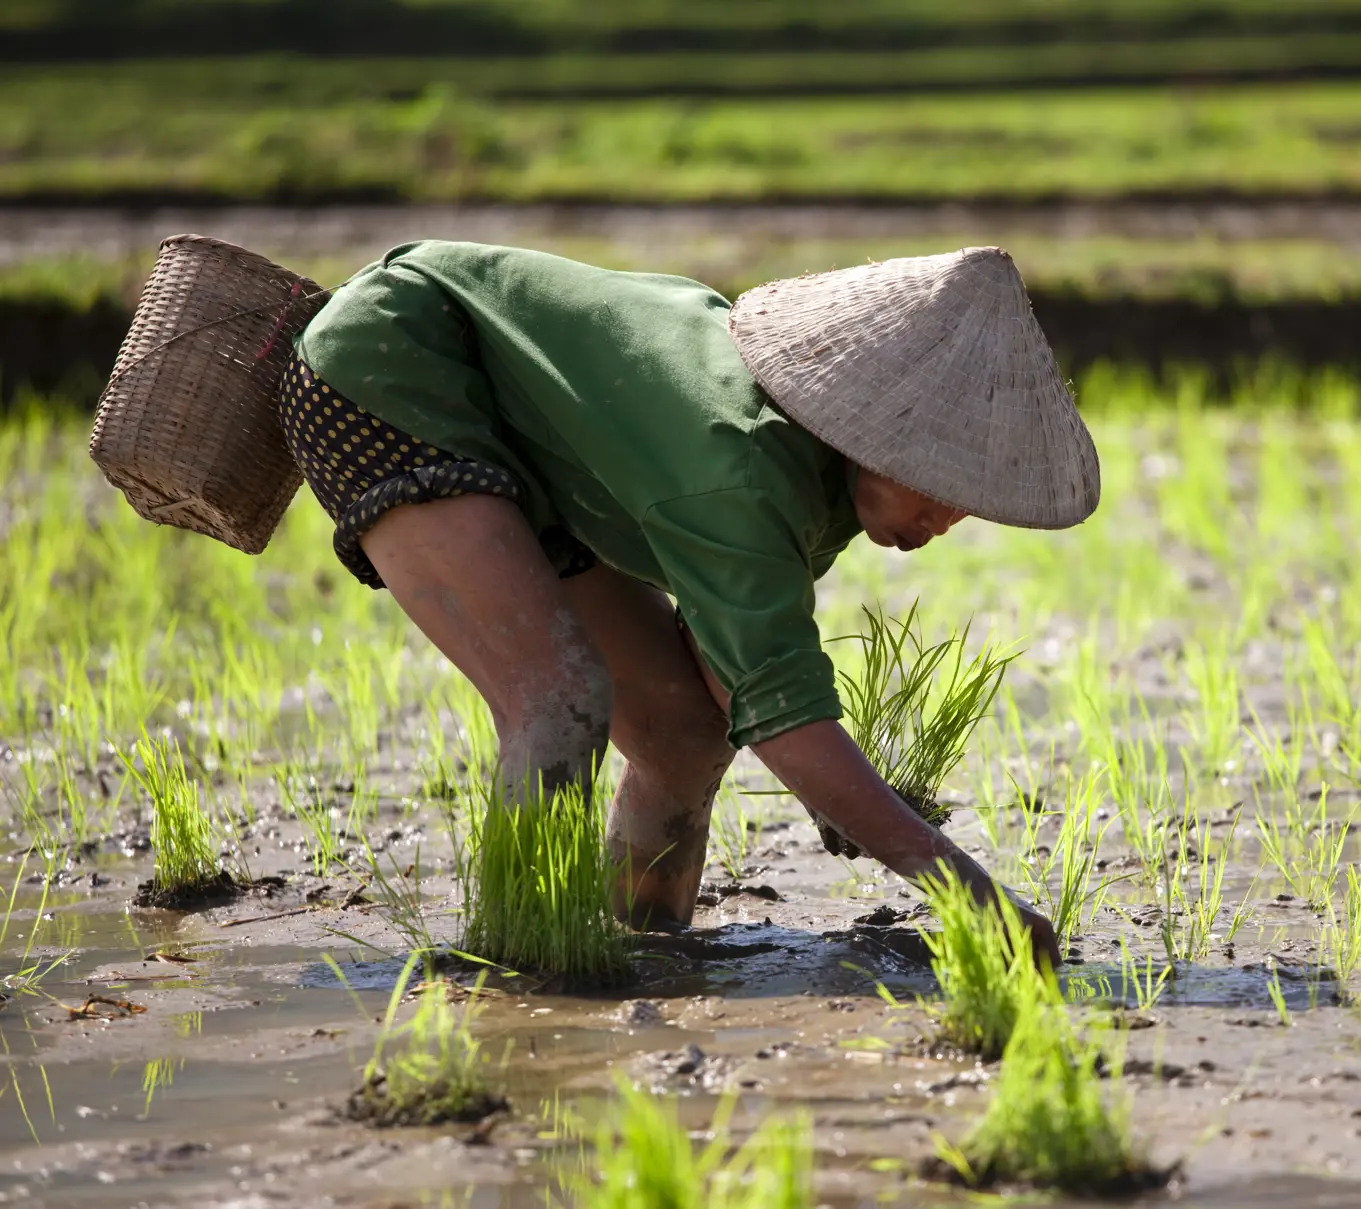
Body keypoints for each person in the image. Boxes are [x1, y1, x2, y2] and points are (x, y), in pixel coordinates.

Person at [283, 240, 1099, 963]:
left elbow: (736, 673)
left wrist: (848, 794)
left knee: (683, 728)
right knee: (557, 697)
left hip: (533, 452)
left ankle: (646, 943)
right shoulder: (740, 468)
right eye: (941, 480)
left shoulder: (821, 476)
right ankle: (524, 966)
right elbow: (782, 716)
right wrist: (967, 891)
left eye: (970, 497)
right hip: (395, 366)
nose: (949, 517)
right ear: (870, 437)